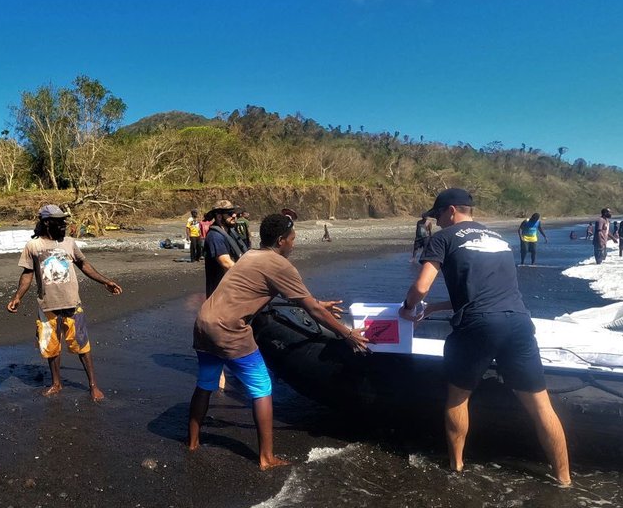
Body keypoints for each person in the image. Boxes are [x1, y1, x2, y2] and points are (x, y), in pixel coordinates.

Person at [398, 188, 572, 485]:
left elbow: (422, 286)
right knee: (541, 406)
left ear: (451, 210)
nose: (438, 221)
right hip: (518, 322)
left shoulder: (443, 237)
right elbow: (487, 293)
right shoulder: (499, 239)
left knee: (457, 397)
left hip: (478, 326)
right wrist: (436, 308)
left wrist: (408, 308)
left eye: (439, 214)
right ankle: (564, 478)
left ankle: (456, 466)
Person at [189, 213, 369, 470]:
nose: (294, 244)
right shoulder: (280, 265)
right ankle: (266, 458)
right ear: (282, 240)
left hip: (204, 321)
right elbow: (313, 311)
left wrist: (317, 303)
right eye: (293, 239)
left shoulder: (251, 255)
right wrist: (347, 333)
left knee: (205, 383)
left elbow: (280, 295)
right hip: (229, 329)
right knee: (262, 388)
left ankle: (193, 442)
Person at [6, 204, 122, 402]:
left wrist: (106, 281)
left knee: (82, 346)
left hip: (72, 303)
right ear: (46, 222)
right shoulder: (33, 246)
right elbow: (27, 274)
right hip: (47, 305)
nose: (64, 224)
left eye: (64, 221)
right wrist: (17, 297)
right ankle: (56, 383)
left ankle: (93, 385)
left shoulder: (69, 243)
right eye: (59, 221)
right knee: (52, 347)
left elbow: (84, 265)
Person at [203, 199, 246, 297]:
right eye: (230, 214)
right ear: (219, 216)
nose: (234, 216)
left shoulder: (230, 233)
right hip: (220, 293)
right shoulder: (215, 236)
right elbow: (226, 263)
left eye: (234, 213)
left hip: (232, 289)